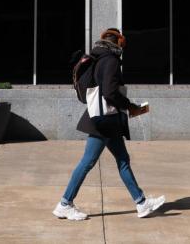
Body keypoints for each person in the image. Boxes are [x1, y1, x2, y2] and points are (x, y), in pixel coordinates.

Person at [52, 27, 165, 221]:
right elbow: (110, 92)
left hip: (104, 119)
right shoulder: (110, 60)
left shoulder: (98, 58)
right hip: (105, 121)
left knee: (123, 160)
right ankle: (64, 204)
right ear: (118, 43)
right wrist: (130, 106)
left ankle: (141, 202)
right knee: (88, 162)